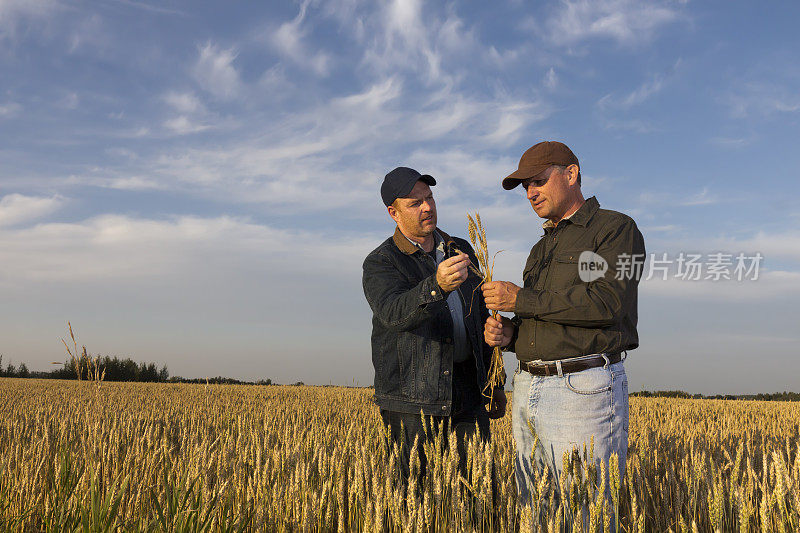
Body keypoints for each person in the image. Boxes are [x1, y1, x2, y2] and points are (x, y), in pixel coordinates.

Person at [481, 141, 645, 512]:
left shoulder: (616, 229)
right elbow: (545, 319)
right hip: (527, 386)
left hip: (581, 389)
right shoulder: (540, 248)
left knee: (584, 512)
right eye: (525, 187)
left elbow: (610, 302)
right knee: (535, 510)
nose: (530, 193)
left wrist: (519, 299)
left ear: (571, 174)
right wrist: (511, 335)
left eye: (538, 181)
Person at [362, 166, 506, 481]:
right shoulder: (381, 262)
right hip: (413, 401)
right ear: (393, 213)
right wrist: (436, 286)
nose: (427, 207)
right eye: (415, 203)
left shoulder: (462, 250)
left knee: (478, 497)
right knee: (416, 500)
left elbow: (479, 316)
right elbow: (393, 312)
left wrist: (494, 381)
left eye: (429, 198)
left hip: (469, 394)